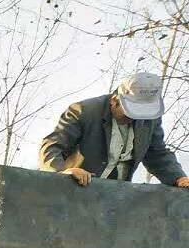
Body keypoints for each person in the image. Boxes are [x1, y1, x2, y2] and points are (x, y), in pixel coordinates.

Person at [39, 72, 189, 188]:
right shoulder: (83, 111)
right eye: (131, 112)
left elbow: (157, 154)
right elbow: (51, 146)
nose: (135, 119)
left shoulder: (150, 120)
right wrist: (63, 172)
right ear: (114, 101)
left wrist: (178, 178)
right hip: (76, 191)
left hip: (116, 198)